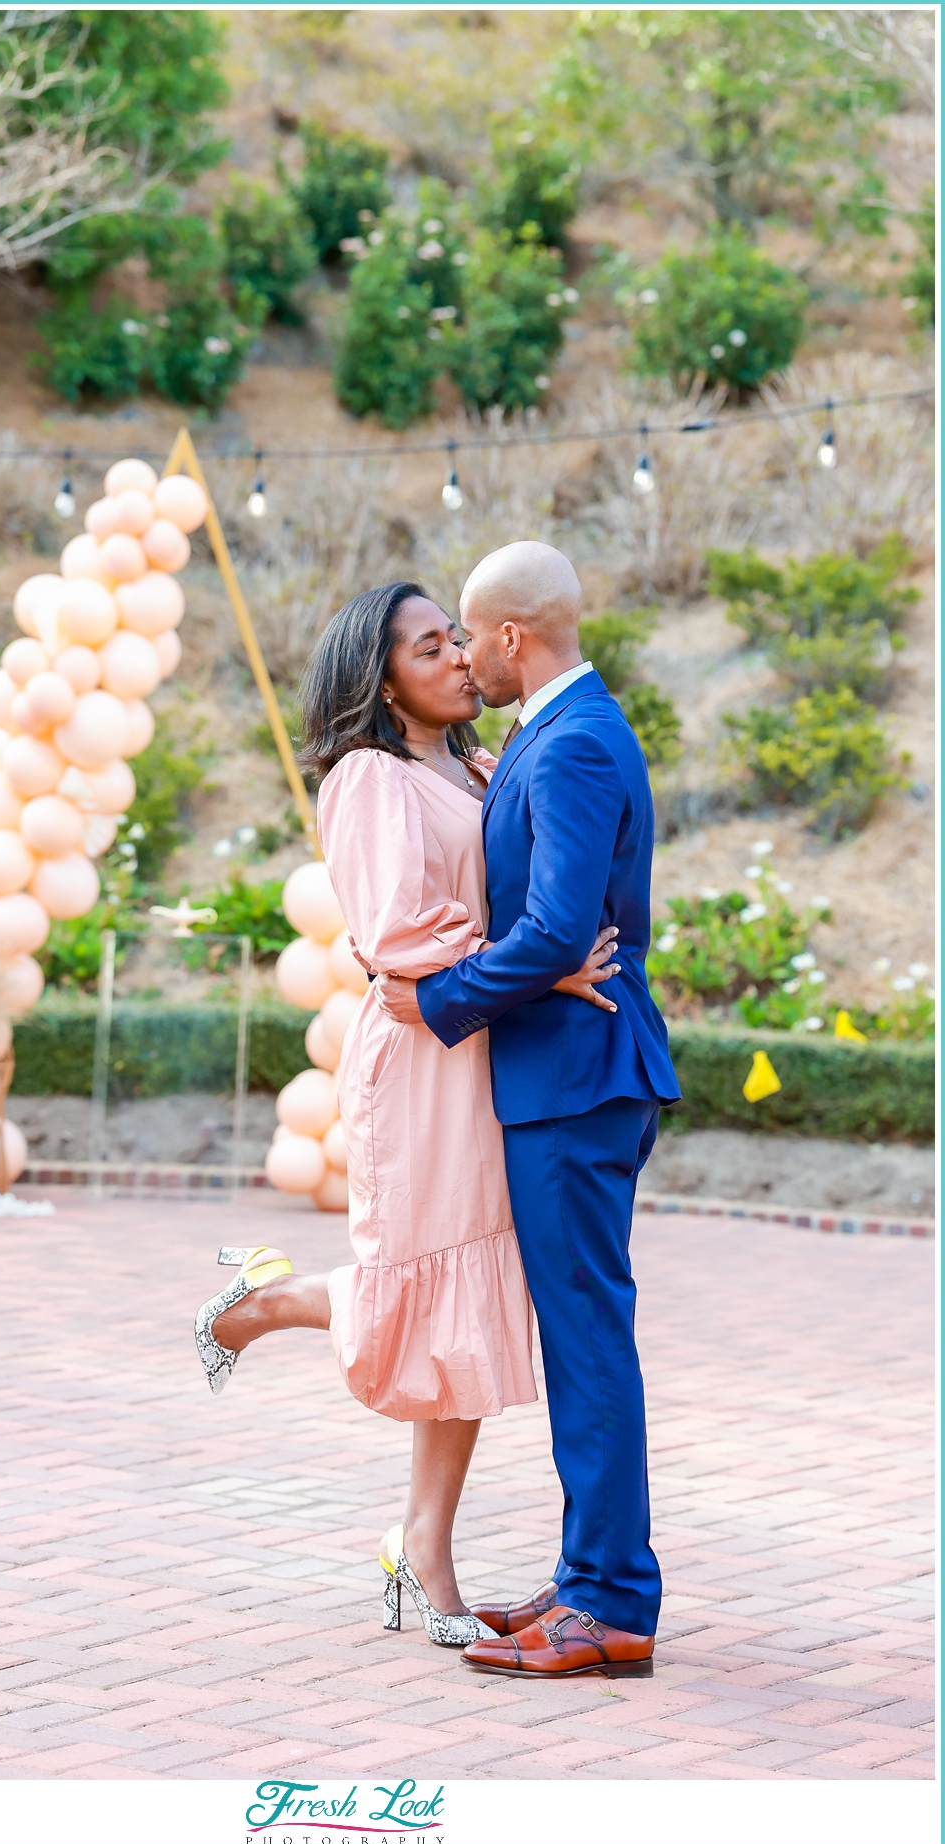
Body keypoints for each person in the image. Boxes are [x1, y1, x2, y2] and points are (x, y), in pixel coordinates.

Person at [194, 581, 620, 1650]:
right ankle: (258, 1305)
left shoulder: (476, 764)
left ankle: (420, 1547)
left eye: (454, 640)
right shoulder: (370, 779)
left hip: (483, 1046)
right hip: (424, 1056)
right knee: (418, 1286)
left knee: (463, 1303)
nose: (457, 660)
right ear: (381, 679)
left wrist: (536, 964)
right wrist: (542, 971)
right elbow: (397, 934)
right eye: (429, 648)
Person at [380, 541, 680, 1681]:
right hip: (569, 1072)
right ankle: (589, 1574)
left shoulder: (572, 743)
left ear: (513, 637)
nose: (463, 655)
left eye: (468, 636)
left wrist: (436, 997)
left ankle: (609, 1600)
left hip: (577, 1076)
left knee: (589, 1337)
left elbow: (560, 931)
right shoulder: (559, 731)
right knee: (580, 1335)